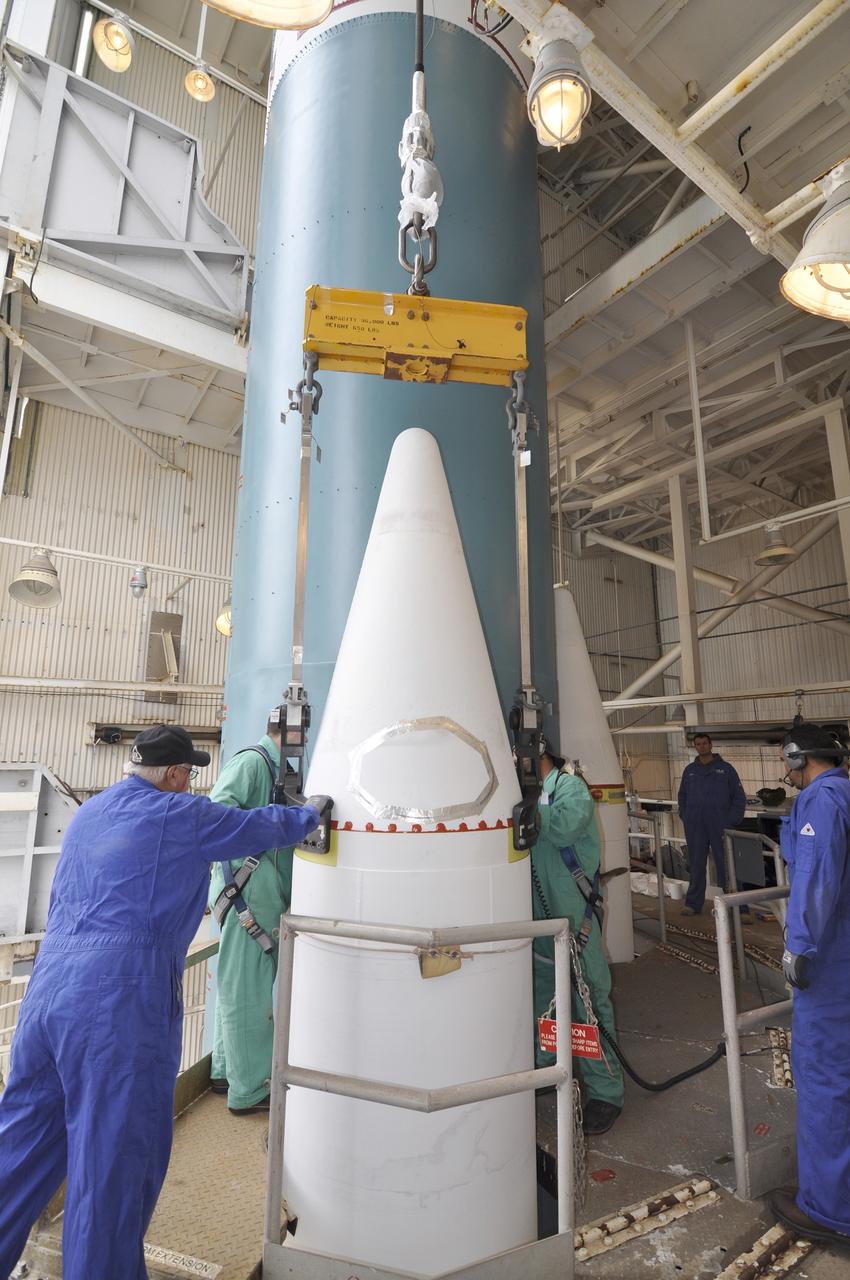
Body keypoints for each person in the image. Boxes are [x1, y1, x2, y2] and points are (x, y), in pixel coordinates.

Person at [0, 725, 320, 1280]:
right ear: (175, 776)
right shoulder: (181, 816)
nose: (190, 782)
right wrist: (312, 812)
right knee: (112, 1163)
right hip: (118, 1004)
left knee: (19, 1148)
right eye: (189, 775)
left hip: (47, 996)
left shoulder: (91, 814)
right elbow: (257, 826)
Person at [769, 723, 850, 1247]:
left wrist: (799, 946)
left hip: (831, 969)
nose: (786, 774)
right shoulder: (843, 793)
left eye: (787, 762)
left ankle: (829, 1208)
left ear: (800, 759)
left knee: (824, 1079)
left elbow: (815, 876)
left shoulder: (821, 801)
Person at [530, 739, 624, 1136]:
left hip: (575, 926)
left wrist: (527, 810)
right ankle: (547, 1067)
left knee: (588, 1008)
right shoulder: (528, 796)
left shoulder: (569, 789)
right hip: (536, 929)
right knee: (543, 1003)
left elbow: (564, 827)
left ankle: (605, 1092)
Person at [207, 712, 294, 1114]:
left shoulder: (275, 769)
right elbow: (217, 813)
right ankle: (252, 1090)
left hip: (252, 889)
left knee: (240, 988)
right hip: (247, 890)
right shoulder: (253, 763)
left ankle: (227, 1074)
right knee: (250, 992)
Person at [677, 733, 746, 915]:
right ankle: (693, 904)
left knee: (727, 863)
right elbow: (682, 795)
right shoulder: (689, 770)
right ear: (695, 747)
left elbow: (739, 797)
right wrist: (686, 815)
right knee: (696, 864)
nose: (702, 747)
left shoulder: (726, 769)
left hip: (720, 823)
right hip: (695, 825)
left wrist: (731, 820)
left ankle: (737, 905)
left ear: (711, 745)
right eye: (698, 744)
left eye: (705, 743)